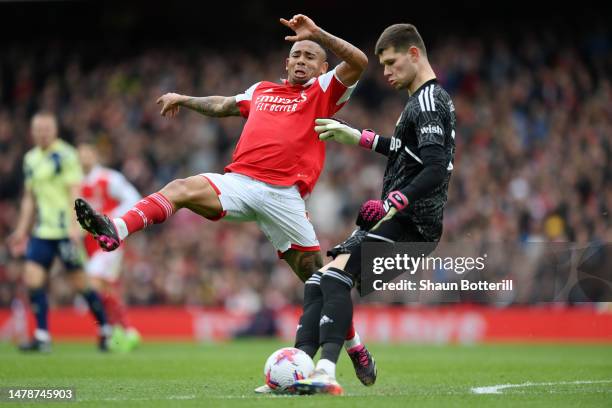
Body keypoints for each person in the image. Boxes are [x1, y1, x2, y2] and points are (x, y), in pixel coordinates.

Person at [73, 14, 376, 388]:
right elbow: (222, 105)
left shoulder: (325, 91)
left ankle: (354, 345)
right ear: (286, 62)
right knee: (181, 188)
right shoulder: (262, 90)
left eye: (310, 56)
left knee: (321, 280)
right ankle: (116, 228)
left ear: (322, 66)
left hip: (284, 197)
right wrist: (184, 99)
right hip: (239, 182)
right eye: (296, 54)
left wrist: (317, 34)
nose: (301, 60)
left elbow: (360, 61)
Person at [292, 23, 456, 395]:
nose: (385, 73)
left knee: (334, 279)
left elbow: (436, 167)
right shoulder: (417, 101)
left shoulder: (430, 101)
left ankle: (326, 372)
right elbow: (408, 152)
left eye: (391, 63)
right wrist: (359, 137)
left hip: (413, 226)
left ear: (414, 54)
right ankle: (302, 368)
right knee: (319, 281)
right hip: (395, 219)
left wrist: (392, 201)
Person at [7, 112, 112, 352]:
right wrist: (22, 230)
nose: (42, 133)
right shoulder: (30, 159)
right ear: (32, 132)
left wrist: (76, 227)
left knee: (81, 284)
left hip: (66, 231)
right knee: (32, 278)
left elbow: (75, 191)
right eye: (38, 129)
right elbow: (29, 199)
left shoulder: (66, 155)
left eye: (46, 129)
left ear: (54, 130)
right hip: (43, 231)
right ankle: (42, 336)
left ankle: (105, 329)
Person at [78, 143, 142, 351]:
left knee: (93, 282)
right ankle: (124, 329)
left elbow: (134, 199)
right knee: (105, 287)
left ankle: (106, 329)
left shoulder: (108, 178)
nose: (83, 158)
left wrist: (113, 222)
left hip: (107, 240)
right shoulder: (74, 182)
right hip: (86, 242)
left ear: (95, 155)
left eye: (87, 153)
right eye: (80, 154)